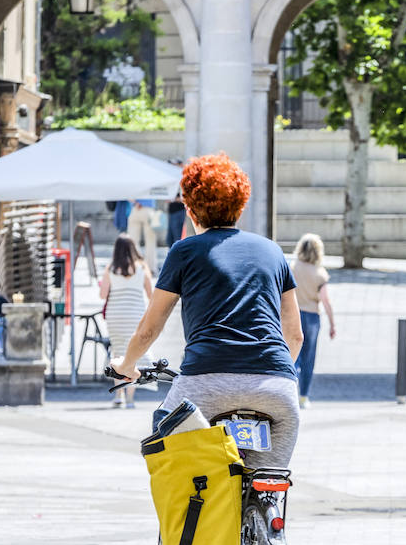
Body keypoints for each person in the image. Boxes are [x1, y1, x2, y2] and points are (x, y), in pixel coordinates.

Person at [112, 153, 305, 471]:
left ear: (189, 208)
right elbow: (295, 335)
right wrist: (270, 373)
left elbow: (149, 328)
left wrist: (126, 364)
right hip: (276, 387)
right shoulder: (273, 252)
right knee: (268, 481)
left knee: (168, 443)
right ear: (240, 206)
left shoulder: (184, 251)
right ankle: (267, 510)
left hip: (207, 383)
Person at [100, 234, 154, 408]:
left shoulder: (110, 268)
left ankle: (118, 395)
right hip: (135, 314)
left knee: (118, 353)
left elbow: (102, 294)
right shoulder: (142, 267)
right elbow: (151, 294)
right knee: (133, 354)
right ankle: (130, 397)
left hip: (115, 315)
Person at [290, 233, 336, 409]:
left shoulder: (292, 268)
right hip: (312, 316)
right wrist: (332, 323)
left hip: (293, 314)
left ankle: (291, 392)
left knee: (294, 356)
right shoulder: (320, 273)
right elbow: (326, 300)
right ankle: (304, 397)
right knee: (309, 357)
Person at [127, 198, 161, 267]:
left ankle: (135, 265)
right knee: (151, 242)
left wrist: (135, 202)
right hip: (150, 209)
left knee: (133, 242)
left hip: (135, 208)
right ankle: (151, 268)